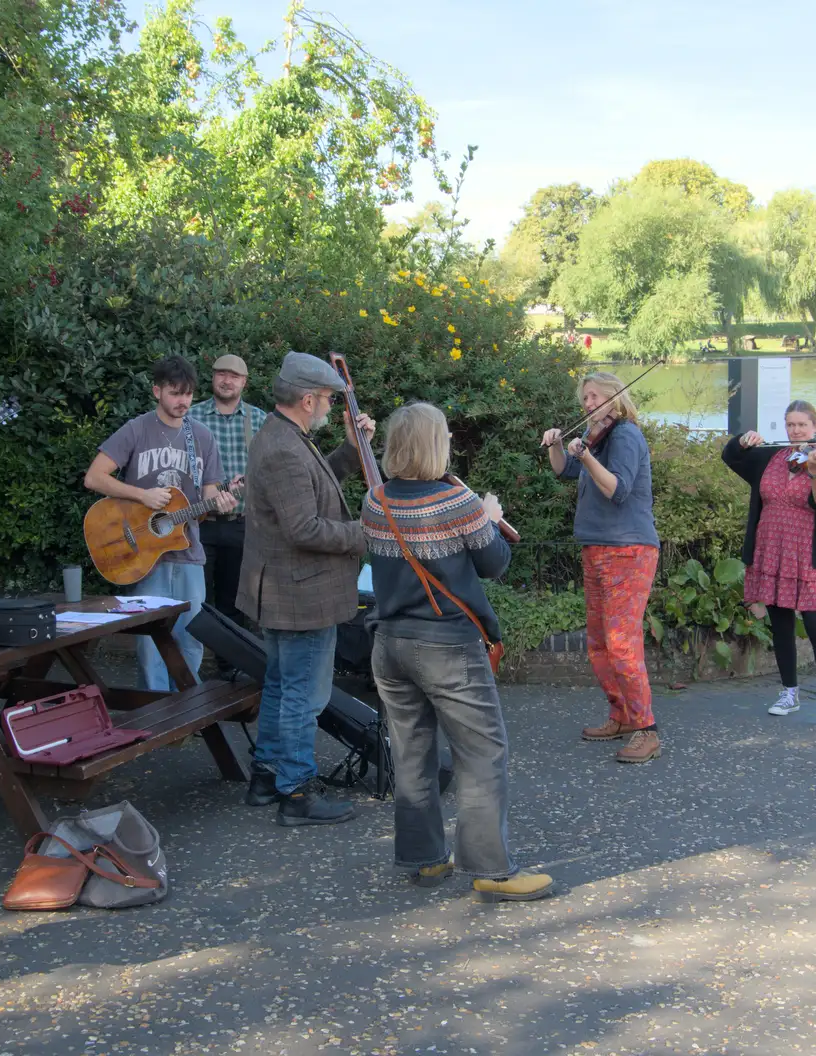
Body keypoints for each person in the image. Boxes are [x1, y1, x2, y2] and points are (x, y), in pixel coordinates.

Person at [362, 402, 553, 902]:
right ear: (435, 444)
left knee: (411, 753)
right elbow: (494, 563)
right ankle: (491, 868)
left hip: (389, 644)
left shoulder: (374, 500)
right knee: (482, 753)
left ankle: (424, 859)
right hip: (447, 646)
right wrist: (489, 517)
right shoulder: (458, 503)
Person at [237, 351, 376, 825]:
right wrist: (364, 534)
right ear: (307, 398)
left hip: (289, 590)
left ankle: (266, 778)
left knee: (281, 686)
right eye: (325, 401)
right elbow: (305, 528)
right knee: (303, 695)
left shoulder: (285, 437)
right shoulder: (282, 447)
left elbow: (318, 485)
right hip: (300, 594)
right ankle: (295, 792)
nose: (327, 409)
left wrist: (353, 448)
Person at [84, 355, 237, 690]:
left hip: (188, 551)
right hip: (142, 554)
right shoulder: (137, 429)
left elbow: (207, 498)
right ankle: (152, 711)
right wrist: (142, 496)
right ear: (157, 391)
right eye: (174, 393)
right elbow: (94, 477)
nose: (182, 401)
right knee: (150, 642)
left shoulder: (202, 437)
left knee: (191, 635)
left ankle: (187, 708)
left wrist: (220, 502)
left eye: (188, 394)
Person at [541, 373, 662, 763]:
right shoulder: (597, 438)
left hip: (628, 549)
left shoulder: (625, 435)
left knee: (622, 643)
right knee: (598, 642)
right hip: (596, 548)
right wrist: (557, 446)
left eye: (595, 396)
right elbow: (564, 471)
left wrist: (586, 456)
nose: (589, 402)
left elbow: (618, 488)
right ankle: (621, 714)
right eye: (585, 397)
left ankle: (647, 730)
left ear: (615, 398)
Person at [722, 400, 816, 732]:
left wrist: (815, 471)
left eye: (802, 425)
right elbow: (731, 457)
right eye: (790, 425)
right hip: (772, 551)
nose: (795, 431)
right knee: (780, 626)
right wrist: (742, 440)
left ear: (815, 426)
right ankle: (789, 692)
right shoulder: (772, 456)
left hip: (808, 554)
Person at [188, 354, 270, 651]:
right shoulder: (191, 417)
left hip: (240, 525)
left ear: (244, 382)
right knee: (194, 600)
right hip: (197, 524)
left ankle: (229, 670)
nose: (227, 380)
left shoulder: (258, 419)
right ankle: (190, 668)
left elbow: (270, 470)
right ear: (213, 378)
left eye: (234, 376)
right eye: (221, 374)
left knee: (234, 604)